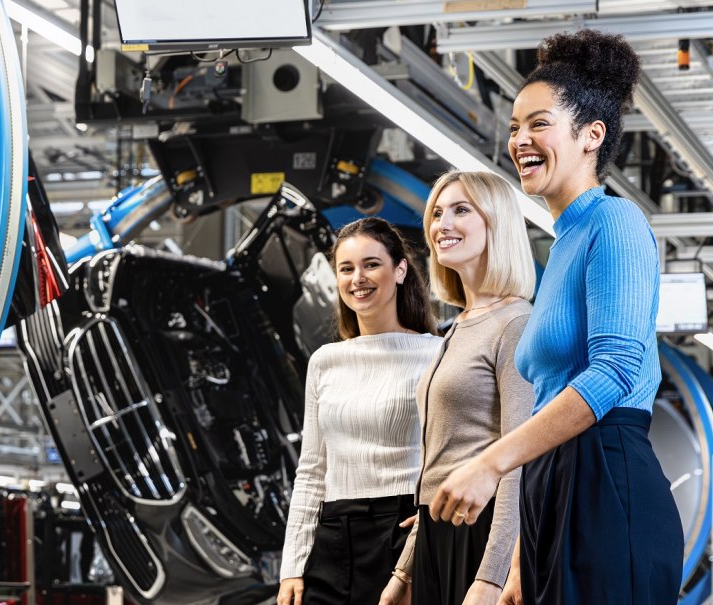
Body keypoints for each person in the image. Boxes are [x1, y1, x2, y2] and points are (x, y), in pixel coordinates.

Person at [426, 30, 683, 605]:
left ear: (592, 135)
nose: (520, 140)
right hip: (551, 490)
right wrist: (522, 554)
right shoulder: (562, 243)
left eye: (539, 123)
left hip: (605, 483)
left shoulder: (614, 222)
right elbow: (546, 395)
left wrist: (490, 463)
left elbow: (615, 370)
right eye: (515, 127)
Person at [376, 172, 537, 605]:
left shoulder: (515, 323)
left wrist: (491, 577)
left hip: (481, 535)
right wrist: (405, 572)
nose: (441, 224)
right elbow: (440, 467)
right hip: (437, 536)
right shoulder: (459, 327)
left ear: (496, 224)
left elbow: (517, 463)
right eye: (437, 213)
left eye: (461, 210)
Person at [278, 217, 441, 605]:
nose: (358, 278)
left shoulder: (436, 354)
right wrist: (292, 566)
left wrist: (433, 516)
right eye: (346, 268)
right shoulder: (325, 361)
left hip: (404, 527)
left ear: (400, 270)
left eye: (371, 264)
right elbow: (312, 470)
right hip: (334, 532)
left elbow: (456, 451)